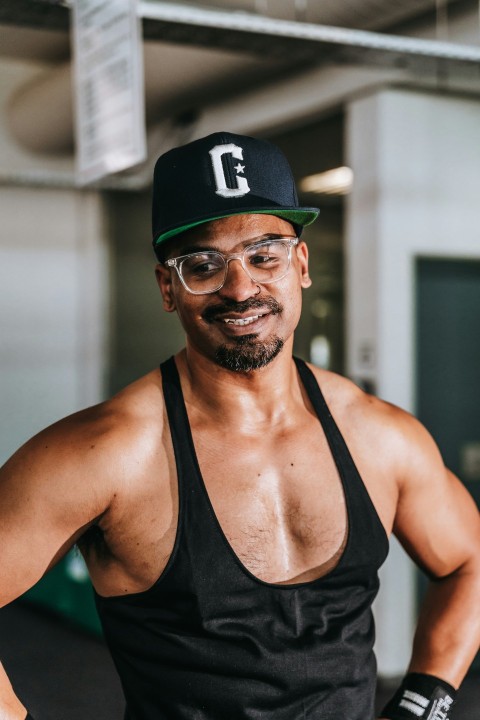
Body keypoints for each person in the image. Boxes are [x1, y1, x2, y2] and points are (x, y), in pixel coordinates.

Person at [1, 131, 479, 720]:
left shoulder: (379, 437)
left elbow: (468, 561)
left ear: (300, 264)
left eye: (264, 254)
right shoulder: (108, 453)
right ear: (167, 289)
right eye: (203, 264)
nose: (241, 286)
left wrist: (422, 704)